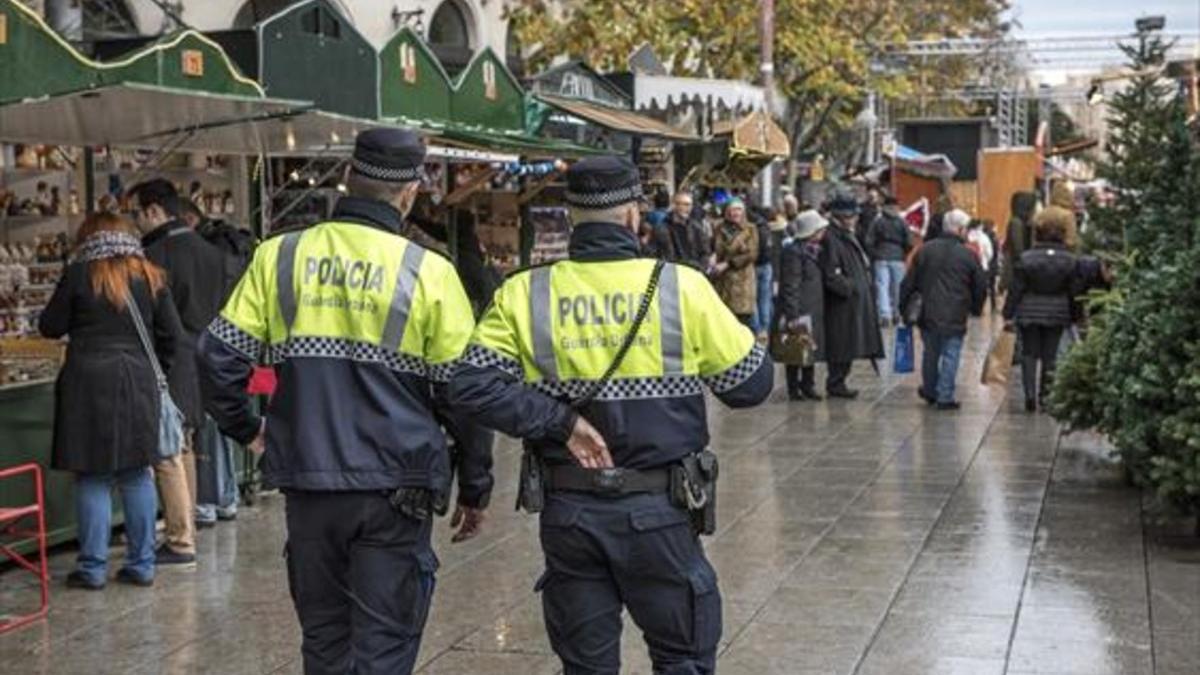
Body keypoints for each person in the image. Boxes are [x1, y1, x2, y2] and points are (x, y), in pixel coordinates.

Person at [448, 156, 774, 675]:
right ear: (631, 216)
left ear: (573, 217)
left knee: (586, 665)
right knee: (683, 658)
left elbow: (469, 385)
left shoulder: (526, 293)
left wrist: (561, 422)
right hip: (660, 513)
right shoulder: (680, 287)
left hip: (570, 512)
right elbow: (750, 386)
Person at [198, 129, 490, 674]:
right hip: (395, 487)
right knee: (384, 647)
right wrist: (476, 483)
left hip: (311, 486)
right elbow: (465, 394)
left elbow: (217, 358)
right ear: (408, 194)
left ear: (347, 181)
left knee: (326, 643)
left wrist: (250, 430)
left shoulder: (279, 256)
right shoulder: (429, 271)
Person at [39, 212, 183, 589]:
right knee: (137, 473)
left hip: (87, 381)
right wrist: (153, 368)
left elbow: (49, 326)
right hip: (138, 379)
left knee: (93, 475)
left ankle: (92, 568)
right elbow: (173, 336)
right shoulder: (150, 276)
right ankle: (142, 563)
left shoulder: (79, 274)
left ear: (88, 237)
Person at [129, 179, 229, 568]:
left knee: (168, 448)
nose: (135, 222)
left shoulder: (153, 256)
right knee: (184, 441)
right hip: (205, 357)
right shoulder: (211, 253)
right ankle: (185, 525)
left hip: (168, 361)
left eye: (136, 213)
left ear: (155, 211)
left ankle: (179, 535)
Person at [900, 209, 988, 410]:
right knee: (951, 352)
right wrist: (976, 307)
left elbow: (909, 282)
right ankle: (945, 395)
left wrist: (903, 307)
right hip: (956, 311)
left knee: (930, 352)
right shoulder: (968, 254)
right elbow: (980, 285)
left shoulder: (925, 250)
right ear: (959, 229)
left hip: (928, 311)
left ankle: (930, 390)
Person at [1003, 207, 1080, 413]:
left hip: (1029, 311)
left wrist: (1008, 313)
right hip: (1057, 312)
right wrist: (1076, 315)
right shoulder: (1070, 261)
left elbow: (1016, 289)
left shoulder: (1027, 258)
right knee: (1050, 355)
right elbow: (1074, 291)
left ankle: (1029, 396)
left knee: (1029, 353)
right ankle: (1045, 397)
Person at [819, 192, 884, 398]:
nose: (854, 219)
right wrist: (851, 288)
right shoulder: (831, 238)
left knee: (848, 343)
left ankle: (839, 381)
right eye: (850, 216)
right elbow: (830, 273)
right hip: (842, 303)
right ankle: (836, 382)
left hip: (852, 300)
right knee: (842, 344)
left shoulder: (848, 234)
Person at [777, 209, 827, 401]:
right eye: (819, 229)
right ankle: (793, 388)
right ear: (811, 231)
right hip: (799, 308)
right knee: (794, 350)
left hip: (811, 306)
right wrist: (792, 315)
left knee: (808, 348)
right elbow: (791, 284)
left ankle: (808, 384)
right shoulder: (794, 252)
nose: (822, 233)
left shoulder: (812, 250)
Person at [864, 195, 912, 327]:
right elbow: (909, 241)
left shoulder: (877, 221)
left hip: (880, 257)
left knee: (882, 287)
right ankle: (897, 314)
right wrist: (903, 253)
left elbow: (868, 241)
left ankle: (885, 315)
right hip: (897, 257)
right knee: (898, 287)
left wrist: (874, 254)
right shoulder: (902, 222)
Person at [711, 198, 759, 325]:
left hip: (741, 283)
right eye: (732, 209)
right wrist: (712, 256)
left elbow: (751, 254)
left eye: (739, 209)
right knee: (722, 321)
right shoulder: (718, 228)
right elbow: (713, 247)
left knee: (741, 322)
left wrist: (728, 264)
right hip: (722, 282)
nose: (735, 213)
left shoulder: (750, 229)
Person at [1001, 191, 1039, 293]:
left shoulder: (1026, 223)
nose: (1036, 210)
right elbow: (1019, 250)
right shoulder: (1016, 223)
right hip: (1016, 272)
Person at [750, 207, 778, 340]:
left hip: (753, 266)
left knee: (753, 299)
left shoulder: (751, 226)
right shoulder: (765, 227)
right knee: (765, 299)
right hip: (767, 265)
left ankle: (757, 330)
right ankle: (765, 329)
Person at [664, 191, 710, 268]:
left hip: (692, 272)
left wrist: (700, 268)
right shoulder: (662, 228)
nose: (686, 208)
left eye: (688, 205)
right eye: (683, 204)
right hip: (670, 272)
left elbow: (705, 252)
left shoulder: (697, 228)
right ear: (674, 205)